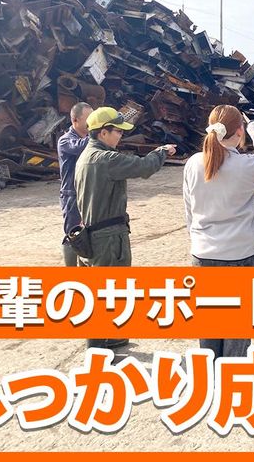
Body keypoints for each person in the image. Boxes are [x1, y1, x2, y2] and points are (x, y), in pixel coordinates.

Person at [75, 106, 176, 350]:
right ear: (103, 132)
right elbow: (143, 167)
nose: (121, 136)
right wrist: (161, 152)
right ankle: (97, 350)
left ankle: (108, 339)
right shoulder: (106, 159)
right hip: (108, 238)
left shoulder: (85, 157)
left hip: (90, 235)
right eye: (118, 132)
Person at [183, 105, 254, 359]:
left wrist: (198, 240)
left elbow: (189, 210)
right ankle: (232, 374)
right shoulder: (247, 165)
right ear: (239, 131)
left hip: (203, 254)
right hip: (241, 254)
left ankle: (210, 373)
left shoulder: (193, 163)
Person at [57, 102, 92, 267]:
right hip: (72, 193)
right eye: (88, 119)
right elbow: (79, 147)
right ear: (75, 120)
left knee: (88, 233)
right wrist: (98, 133)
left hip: (88, 192)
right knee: (72, 233)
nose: (91, 122)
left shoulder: (89, 139)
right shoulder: (65, 141)